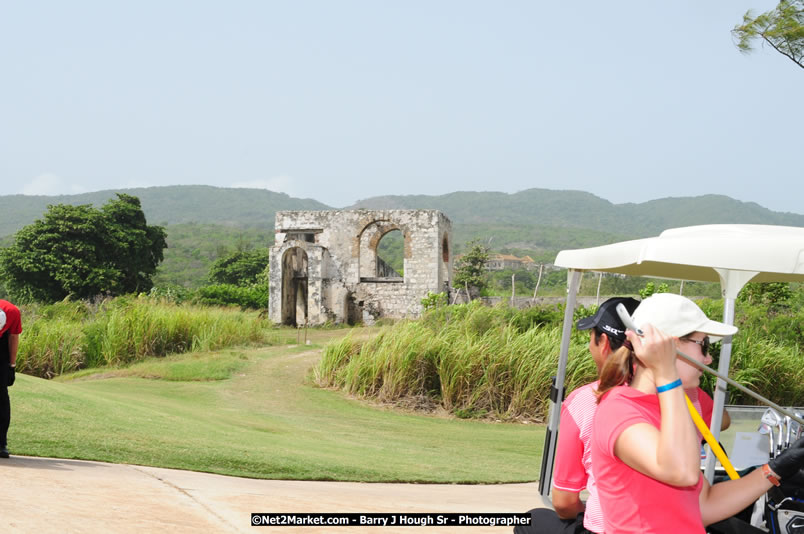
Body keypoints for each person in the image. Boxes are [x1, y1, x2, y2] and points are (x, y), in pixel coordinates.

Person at [592, 293, 804, 533]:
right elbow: (681, 471)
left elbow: (704, 505)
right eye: (703, 345)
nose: (709, 357)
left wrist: (776, 468)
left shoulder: (674, 408)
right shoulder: (618, 410)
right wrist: (666, 371)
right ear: (669, 346)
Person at [0, 299, 22, 459]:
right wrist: (11, 366)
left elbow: (13, 338)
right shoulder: (11, 310)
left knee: (1, 398)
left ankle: (1, 443)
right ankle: (1, 444)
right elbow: (13, 338)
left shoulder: (11, 311)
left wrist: (11, 366)